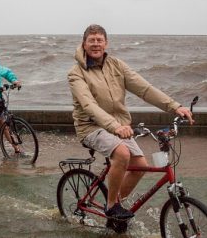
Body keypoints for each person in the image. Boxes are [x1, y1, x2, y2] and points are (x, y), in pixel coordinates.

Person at [67, 24, 194, 220]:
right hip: (91, 127)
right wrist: (115, 127)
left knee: (141, 166)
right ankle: (111, 207)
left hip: (119, 126)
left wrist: (175, 106)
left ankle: (116, 203)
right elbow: (88, 105)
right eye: (91, 40)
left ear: (106, 43)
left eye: (99, 40)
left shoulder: (117, 65)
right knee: (122, 153)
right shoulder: (76, 73)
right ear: (83, 44)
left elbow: (144, 89)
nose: (96, 44)